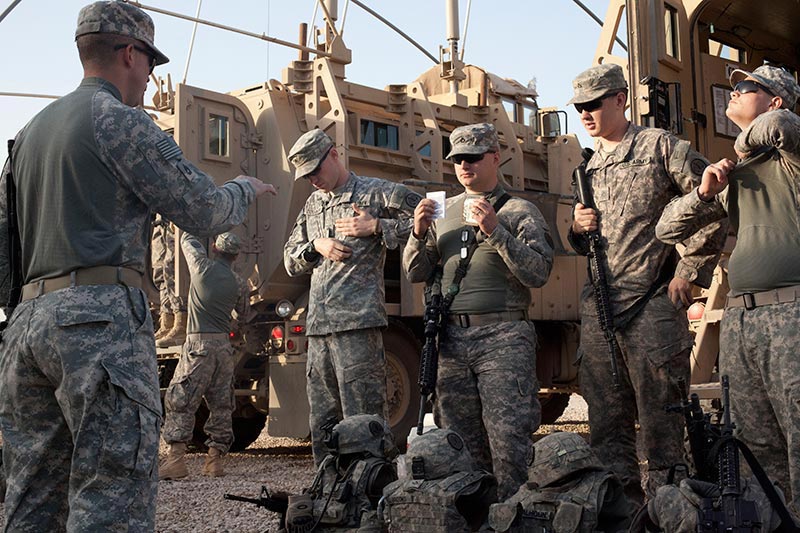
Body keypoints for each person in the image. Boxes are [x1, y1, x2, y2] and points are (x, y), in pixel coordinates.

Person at [0, 2, 275, 530]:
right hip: (99, 329)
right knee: (112, 495)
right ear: (130, 53)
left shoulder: (28, 135)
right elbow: (203, 210)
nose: (151, 79)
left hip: (25, 331)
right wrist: (244, 187)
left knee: (31, 496)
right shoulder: (120, 123)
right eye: (151, 63)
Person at [567, 63, 728, 505]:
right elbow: (587, 245)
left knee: (661, 425)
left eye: (593, 104)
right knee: (606, 424)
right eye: (579, 106)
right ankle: (621, 511)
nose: (585, 113)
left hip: (652, 307)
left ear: (620, 99)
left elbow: (712, 206)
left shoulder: (661, 148)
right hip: (601, 310)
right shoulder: (587, 168)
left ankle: (670, 511)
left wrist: (688, 272)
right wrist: (576, 229)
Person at [656, 64, 800, 514]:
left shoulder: (791, 153)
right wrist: (703, 192)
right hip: (743, 319)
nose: (733, 92)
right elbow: (666, 228)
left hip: (792, 313)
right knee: (755, 448)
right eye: (734, 86)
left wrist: (738, 148)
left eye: (746, 87)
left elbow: (782, 126)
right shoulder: (737, 173)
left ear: (774, 99)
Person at [403, 123, 554, 500]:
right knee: (460, 442)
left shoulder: (520, 210)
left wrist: (495, 230)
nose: (465, 166)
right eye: (458, 160)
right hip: (451, 340)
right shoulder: (442, 209)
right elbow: (416, 272)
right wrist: (418, 234)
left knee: (509, 440)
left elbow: (538, 273)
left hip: (503, 338)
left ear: (495, 158)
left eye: (473, 158)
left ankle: (516, 516)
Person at [283, 128, 421, 465]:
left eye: (316, 170)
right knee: (323, 421)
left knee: (365, 422)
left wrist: (377, 228)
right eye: (306, 175)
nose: (313, 179)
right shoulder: (312, 205)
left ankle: (371, 495)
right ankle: (327, 493)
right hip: (319, 330)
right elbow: (289, 261)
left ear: (333, 154)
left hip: (358, 326)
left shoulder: (373, 192)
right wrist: (315, 247)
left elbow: (429, 215)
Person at [159, 232, 250, 480]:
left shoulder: (200, 266)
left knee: (181, 400)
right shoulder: (240, 283)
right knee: (221, 405)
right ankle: (214, 462)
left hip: (198, 346)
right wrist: (232, 329)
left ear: (214, 248)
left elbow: (186, 241)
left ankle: (176, 462)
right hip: (223, 350)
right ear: (236, 256)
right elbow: (243, 319)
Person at [152, 217, 189, 347]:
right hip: (160, 219)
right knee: (160, 270)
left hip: (174, 215)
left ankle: (181, 323)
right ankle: (167, 322)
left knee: (173, 269)